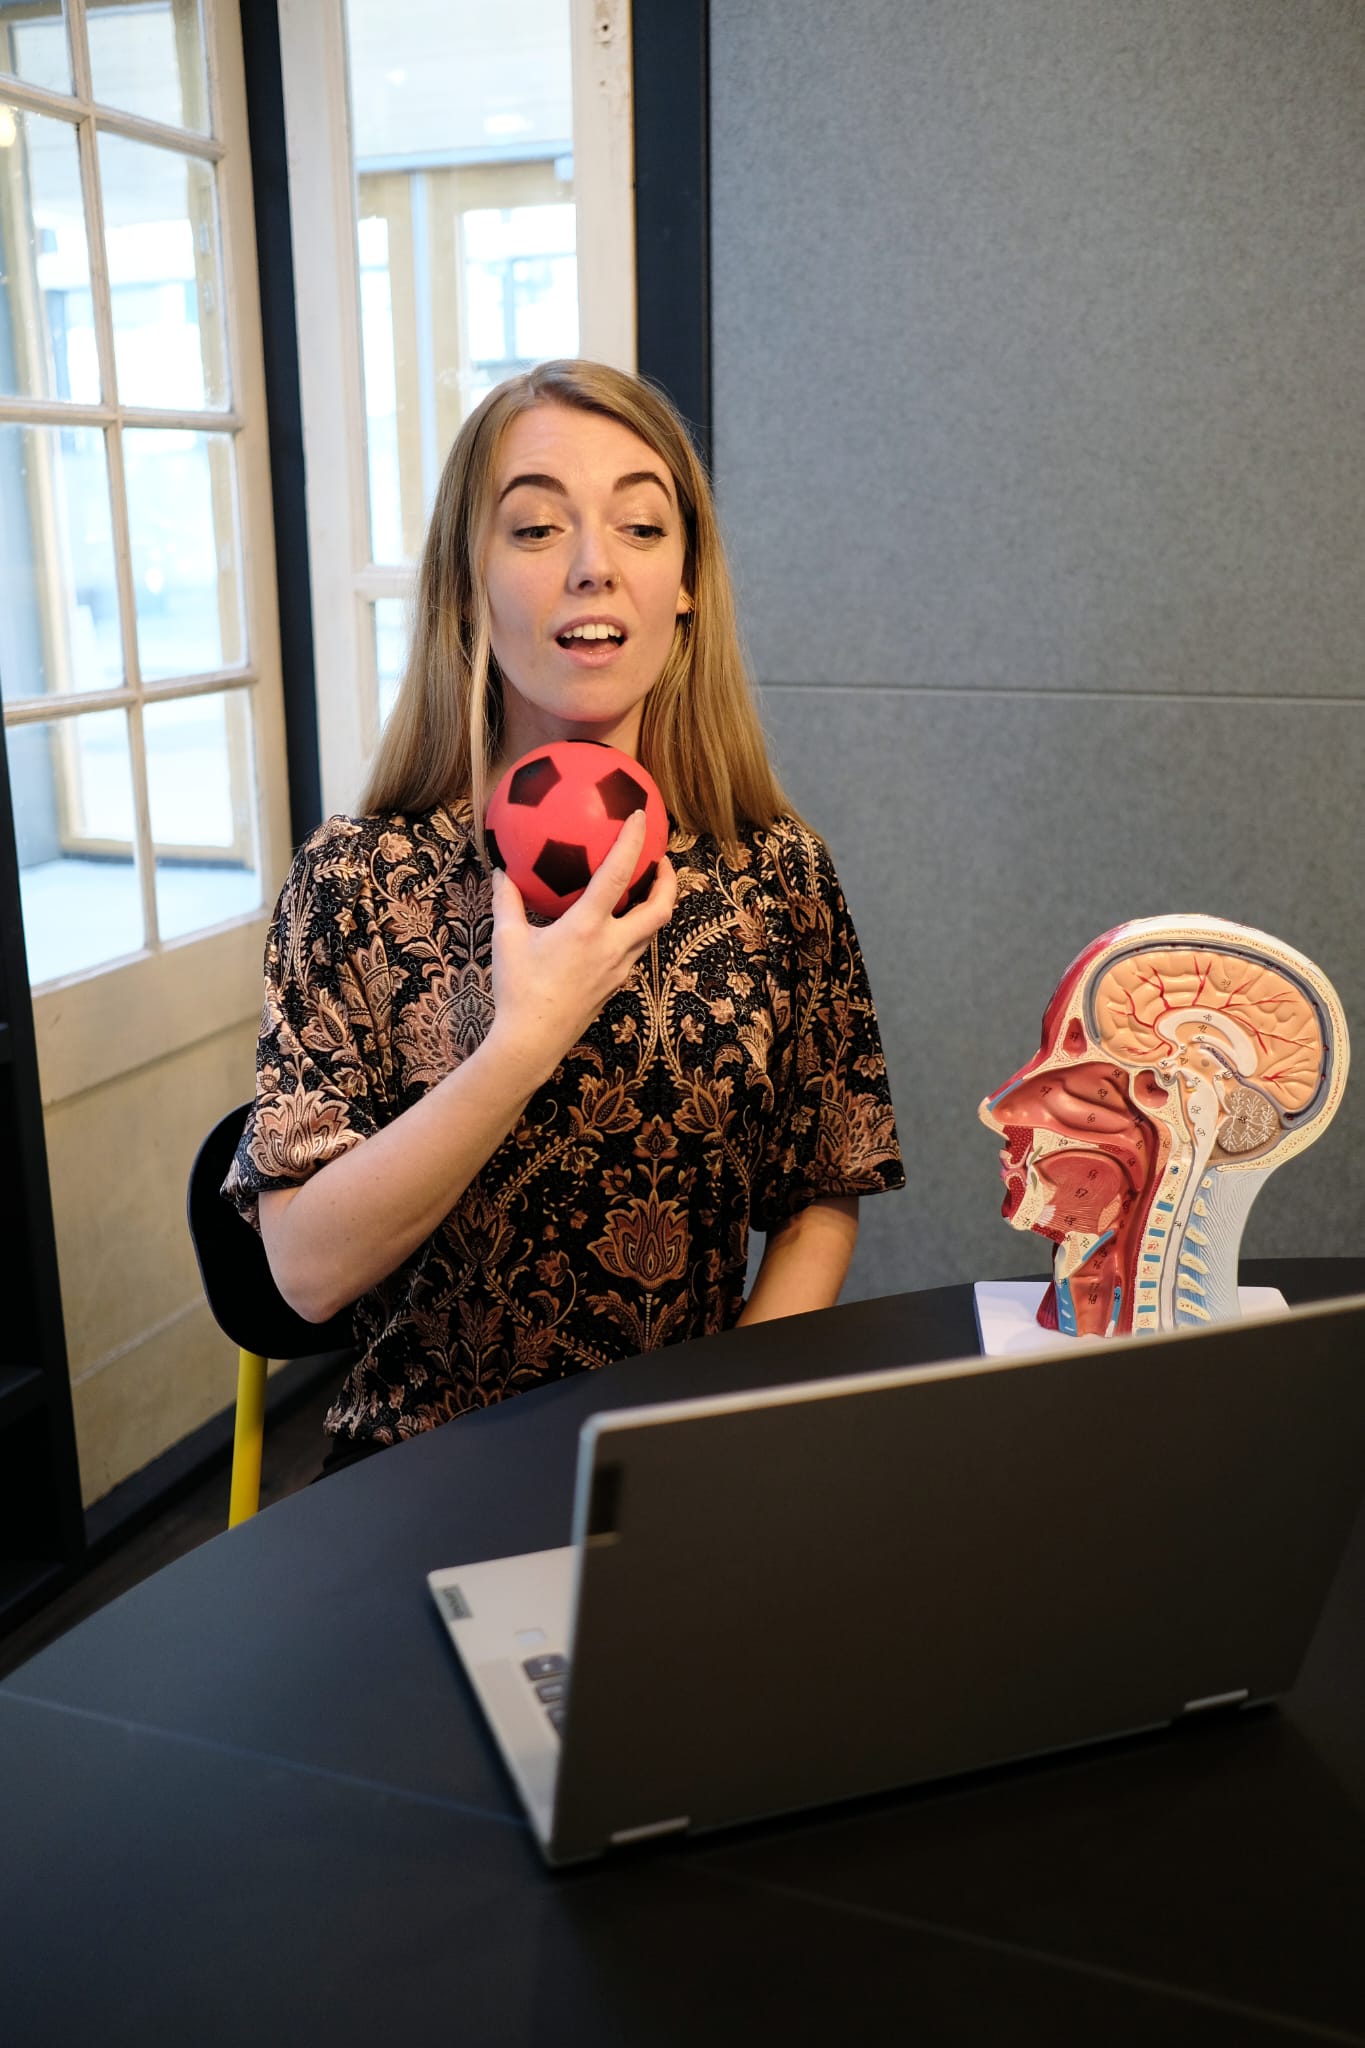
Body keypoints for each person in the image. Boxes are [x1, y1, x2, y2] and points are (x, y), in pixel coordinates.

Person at [224, 360, 904, 1472]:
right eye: (537, 529)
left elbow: (823, 1187)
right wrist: (523, 1039)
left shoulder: (776, 871)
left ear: (685, 582)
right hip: (421, 1478)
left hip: (688, 1466)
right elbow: (305, 1271)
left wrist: (719, 1429)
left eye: (641, 525)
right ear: (466, 586)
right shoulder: (356, 879)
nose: (595, 566)